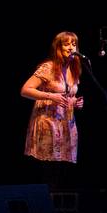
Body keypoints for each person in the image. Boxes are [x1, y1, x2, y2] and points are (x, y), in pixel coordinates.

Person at [20, 31, 85, 188]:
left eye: (74, 44)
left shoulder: (74, 70)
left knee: (61, 171)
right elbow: (25, 90)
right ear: (58, 47)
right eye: (66, 44)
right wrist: (50, 96)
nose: (71, 47)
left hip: (66, 125)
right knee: (47, 170)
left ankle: (58, 208)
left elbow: (66, 95)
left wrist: (75, 102)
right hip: (48, 123)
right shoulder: (48, 67)